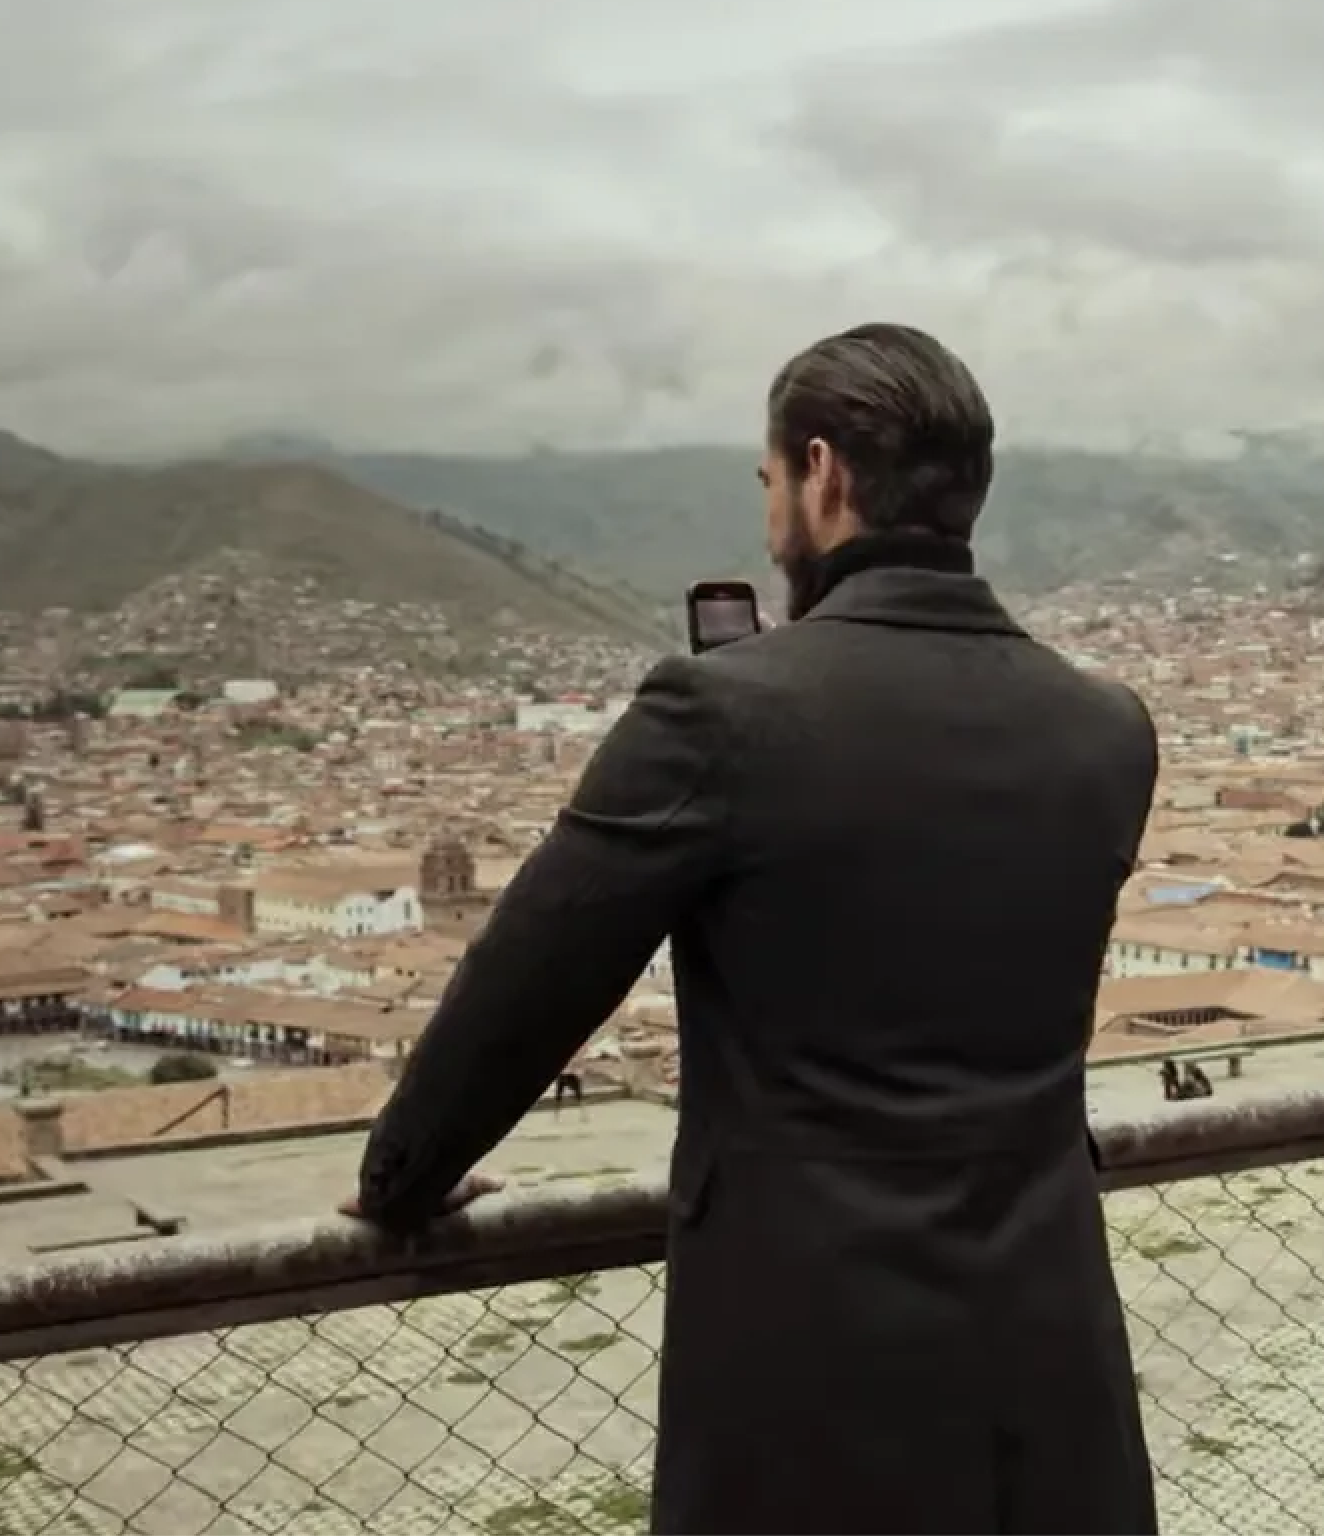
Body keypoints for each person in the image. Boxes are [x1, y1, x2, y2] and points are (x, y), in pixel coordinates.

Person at [344, 323, 1163, 1535]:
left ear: (823, 474)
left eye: (771, 479)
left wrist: (402, 1177)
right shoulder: (1107, 728)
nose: (772, 506)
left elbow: (529, 981)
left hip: (808, 1351)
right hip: (1046, 1334)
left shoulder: (720, 713)